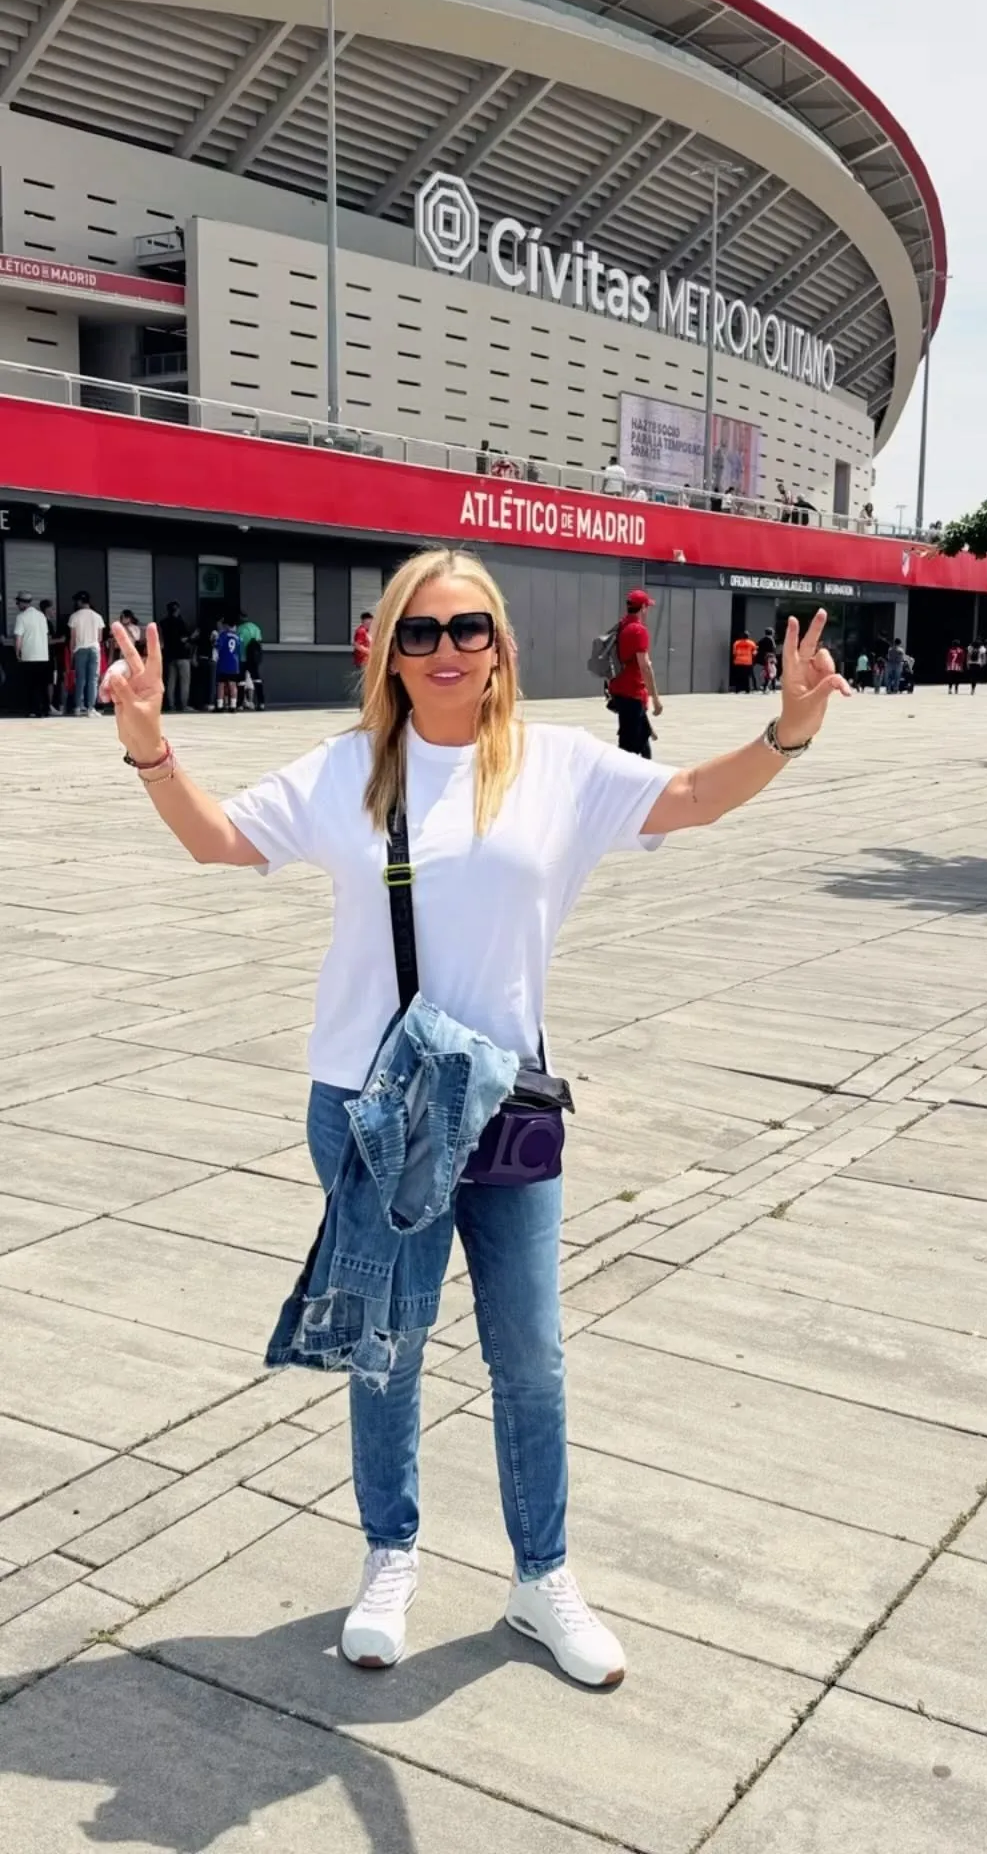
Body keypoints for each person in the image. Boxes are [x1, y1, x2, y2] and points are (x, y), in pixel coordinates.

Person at [103, 549, 848, 1688]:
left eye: (468, 630)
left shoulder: (554, 768)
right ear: (387, 650)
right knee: (386, 1353)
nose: (446, 650)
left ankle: (541, 1577)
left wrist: (789, 731)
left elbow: (690, 798)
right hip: (370, 1107)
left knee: (532, 1358)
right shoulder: (348, 770)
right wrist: (149, 741)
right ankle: (390, 1556)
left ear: (500, 645)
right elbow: (217, 840)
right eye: (420, 631)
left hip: (502, 1111)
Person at [607, 588, 662, 757]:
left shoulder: (622, 625)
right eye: (647, 607)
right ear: (643, 607)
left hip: (620, 690)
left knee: (643, 748)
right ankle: (621, 780)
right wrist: (656, 699)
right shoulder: (638, 630)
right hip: (632, 694)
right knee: (628, 750)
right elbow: (645, 666)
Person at [13, 591, 51, 718]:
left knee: (31, 685)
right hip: (43, 655)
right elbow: (46, 634)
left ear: (23, 603)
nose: (17, 605)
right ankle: (45, 709)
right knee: (43, 685)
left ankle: (34, 710)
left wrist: (17, 652)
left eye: (18, 602)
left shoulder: (21, 617)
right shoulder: (41, 616)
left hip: (29, 656)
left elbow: (18, 637)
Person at [69, 589, 106, 717]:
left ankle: (78, 707)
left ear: (80, 601)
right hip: (94, 649)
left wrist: (71, 653)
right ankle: (91, 708)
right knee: (93, 680)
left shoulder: (74, 616)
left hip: (80, 649)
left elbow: (72, 638)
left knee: (80, 679)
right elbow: (100, 638)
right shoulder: (97, 617)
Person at [159, 601, 193, 713]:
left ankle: (171, 705)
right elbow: (183, 639)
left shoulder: (163, 623)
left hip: (169, 655)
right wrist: (192, 637)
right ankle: (184, 705)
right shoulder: (180, 622)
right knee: (184, 681)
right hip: (182, 655)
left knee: (170, 682)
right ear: (177, 610)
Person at [214, 615, 242, 711]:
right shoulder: (238, 637)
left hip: (223, 663)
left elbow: (217, 647)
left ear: (226, 625)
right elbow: (239, 651)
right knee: (233, 684)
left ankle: (220, 705)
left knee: (221, 684)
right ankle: (233, 706)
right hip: (234, 664)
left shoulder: (223, 635)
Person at [238, 612, 264, 710]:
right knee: (257, 680)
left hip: (243, 658)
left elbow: (238, 644)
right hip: (253, 659)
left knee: (241, 682)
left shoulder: (240, 629)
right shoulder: (255, 628)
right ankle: (261, 703)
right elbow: (259, 642)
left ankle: (240, 704)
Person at [731, 630, 757, 694]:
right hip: (748, 662)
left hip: (738, 661)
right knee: (747, 677)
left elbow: (734, 653)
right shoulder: (752, 643)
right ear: (748, 636)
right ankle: (747, 690)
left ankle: (737, 689)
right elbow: (754, 653)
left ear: (742, 636)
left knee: (738, 676)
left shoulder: (736, 643)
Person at [757, 628, 778, 693]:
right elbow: (773, 649)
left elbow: (758, 647)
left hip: (765, 658)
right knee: (772, 672)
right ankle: (766, 687)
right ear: (771, 633)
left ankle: (769, 687)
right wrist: (773, 659)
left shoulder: (762, 640)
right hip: (770, 658)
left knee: (769, 672)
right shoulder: (771, 640)